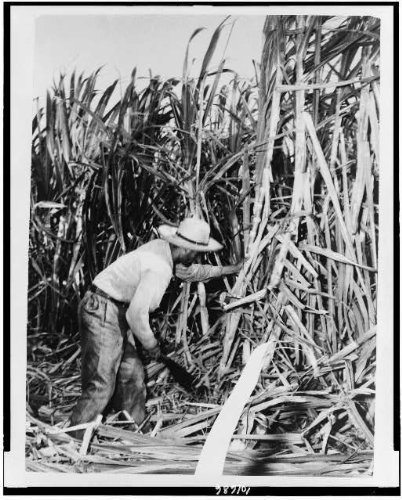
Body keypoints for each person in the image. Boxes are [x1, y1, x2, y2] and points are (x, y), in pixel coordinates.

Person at [69, 216, 242, 436]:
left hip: (113, 309)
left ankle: (136, 433)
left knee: (132, 375)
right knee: (102, 384)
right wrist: (151, 345)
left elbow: (191, 272)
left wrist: (229, 269)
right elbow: (136, 315)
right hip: (103, 310)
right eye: (197, 253)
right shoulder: (160, 267)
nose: (197, 257)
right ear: (187, 250)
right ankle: (72, 440)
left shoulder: (164, 249)